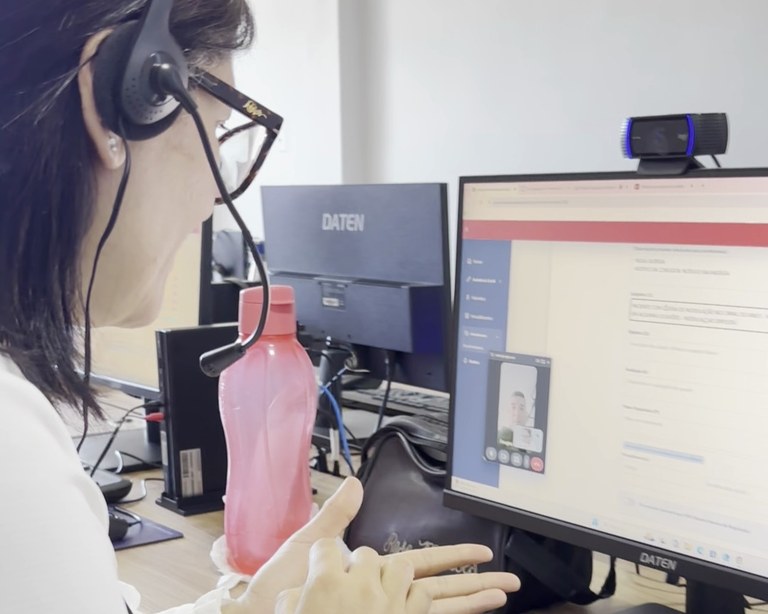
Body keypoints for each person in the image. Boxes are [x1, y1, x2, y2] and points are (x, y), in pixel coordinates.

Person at [0, 1, 520, 613]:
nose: (214, 196)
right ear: (113, 99)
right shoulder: (13, 452)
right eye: (216, 132)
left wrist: (246, 608)